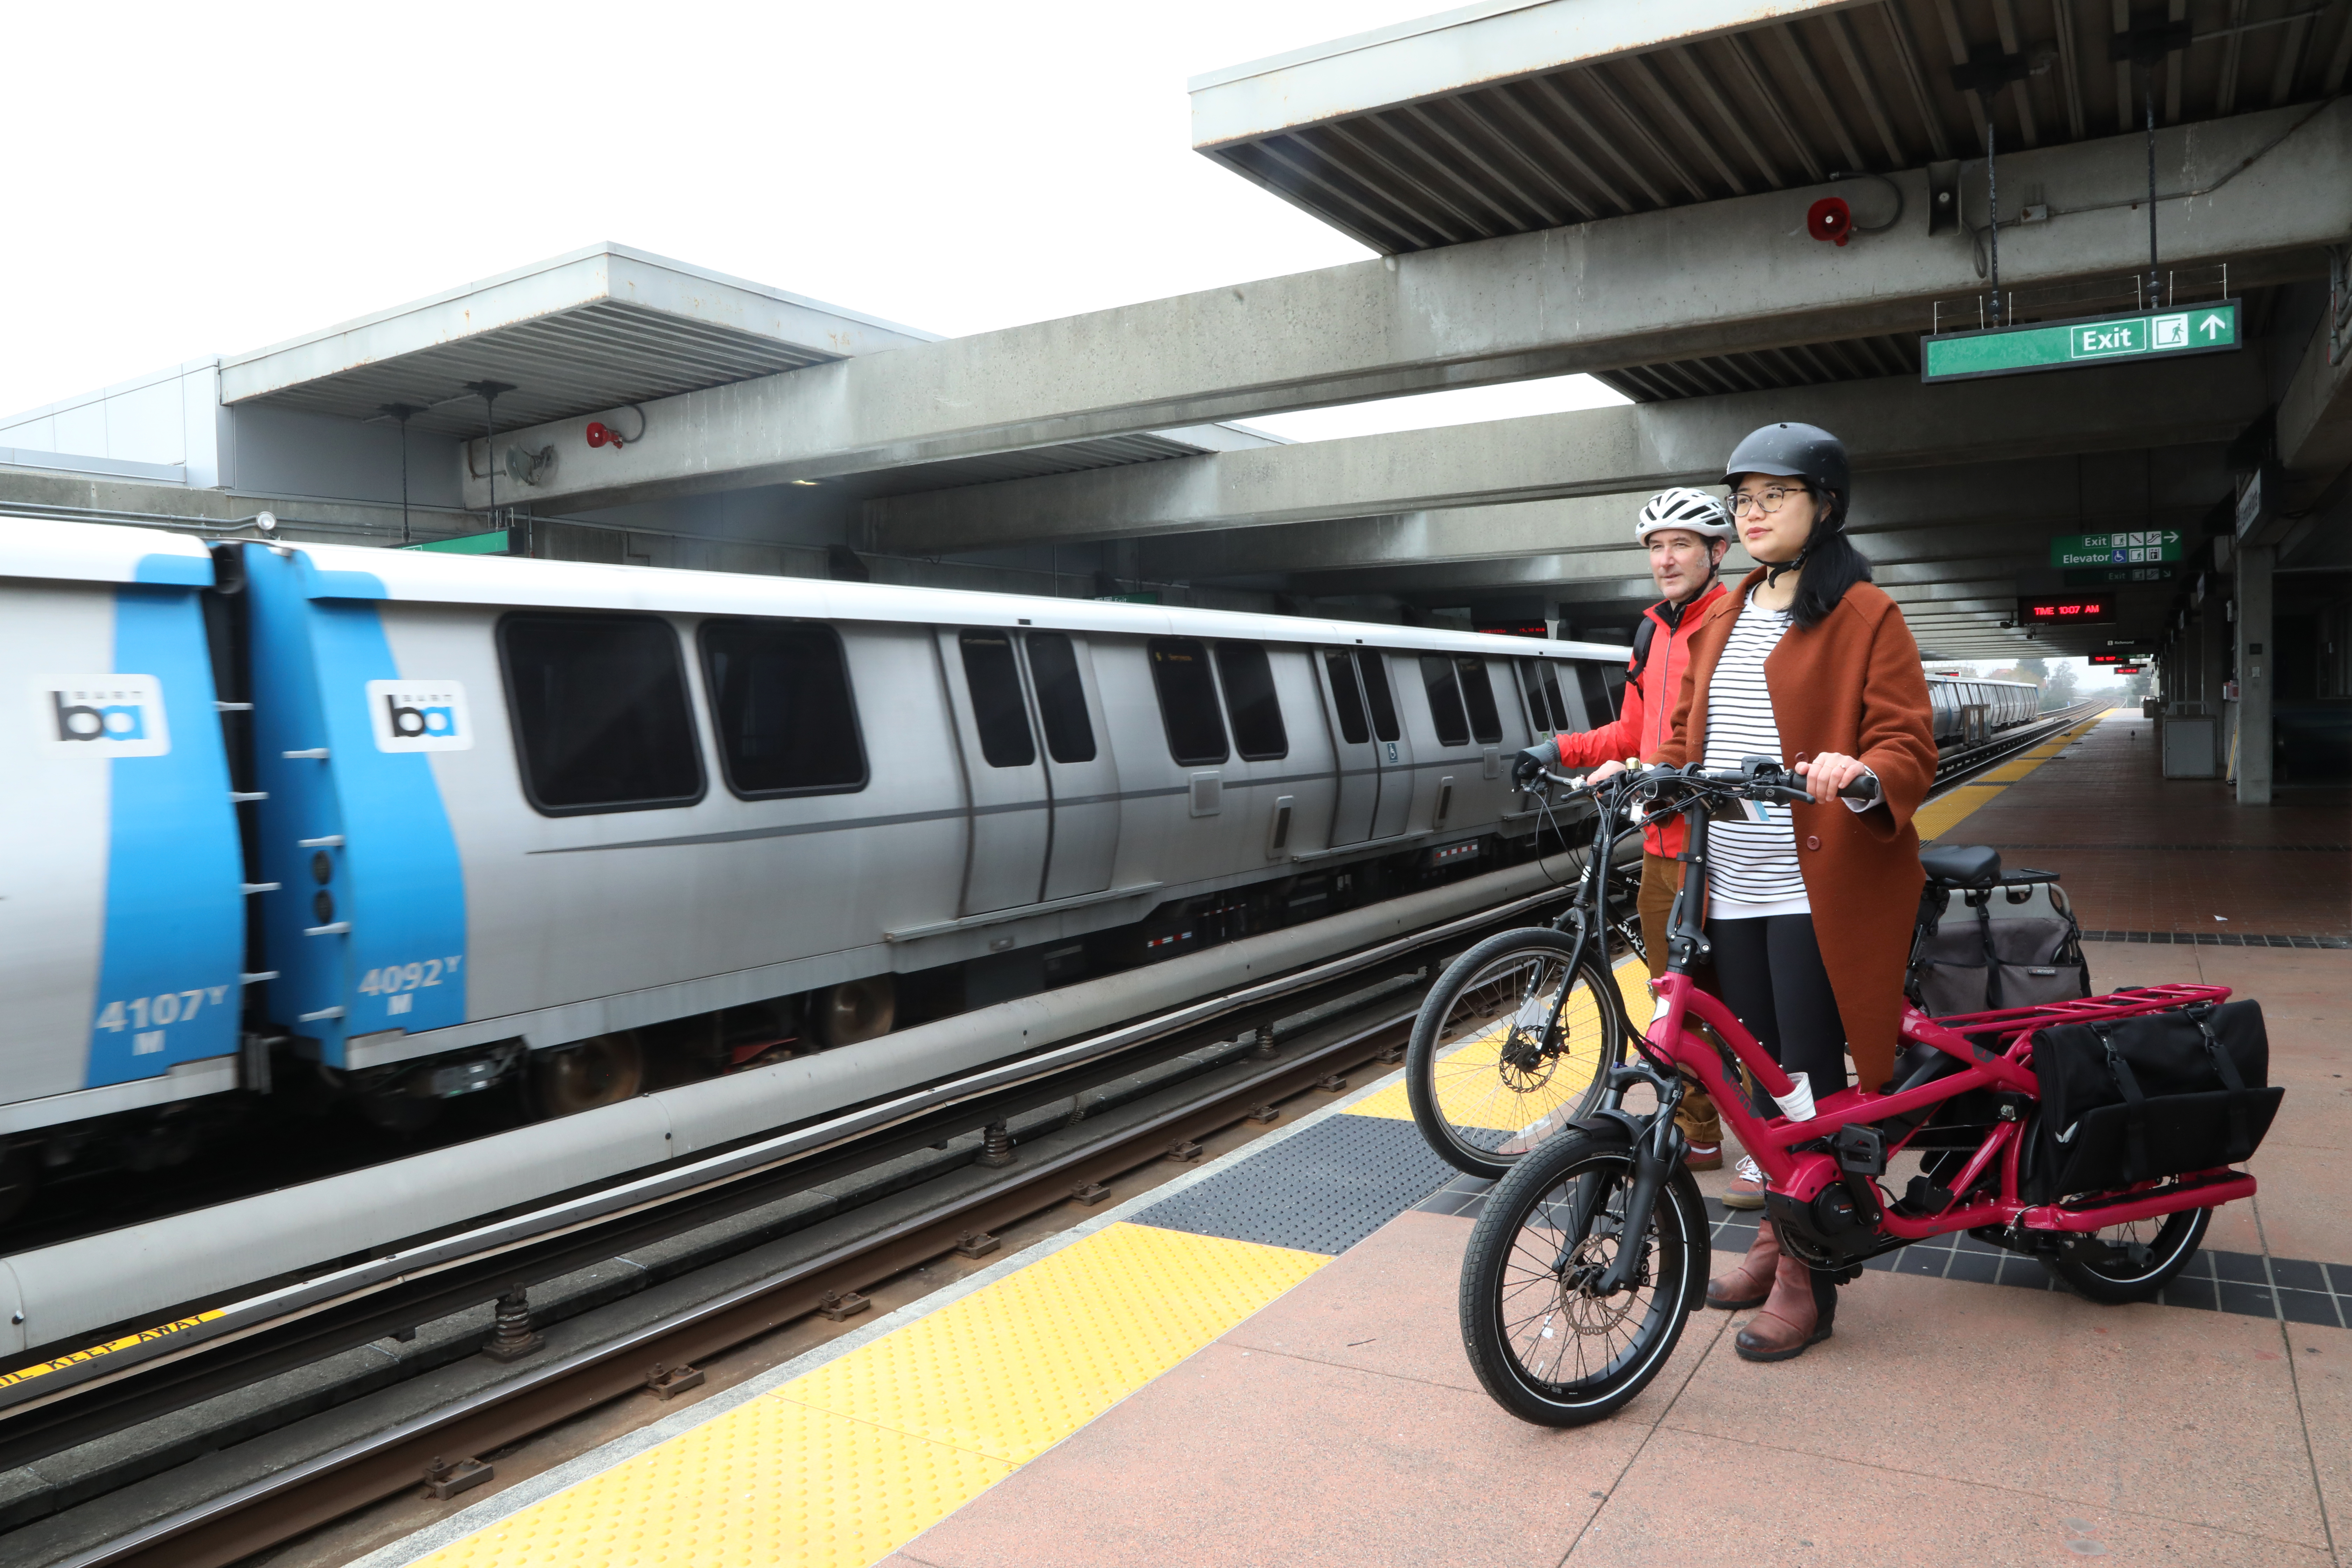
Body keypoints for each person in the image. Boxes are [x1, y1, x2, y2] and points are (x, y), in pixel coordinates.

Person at [1650, 422, 1937, 1363]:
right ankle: (1776, 1238)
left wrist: (1860, 770)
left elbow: (1909, 745)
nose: (1755, 511)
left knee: (1808, 1082)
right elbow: (1688, 729)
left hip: (1815, 893)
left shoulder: (1863, 614)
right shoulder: (1730, 609)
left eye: (1777, 494)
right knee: (1755, 1081)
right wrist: (1640, 774)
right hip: (1729, 884)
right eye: (1745, 497)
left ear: (1826, 505)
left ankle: (1808, 1279)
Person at [1517, 488, 1735, 1170]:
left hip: (1727, 842)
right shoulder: (1652, 631)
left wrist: (1669, 769)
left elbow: (1739, 730)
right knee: (1674, 994)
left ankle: (1770, 1145)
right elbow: (1635, 732)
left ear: (1717, 552)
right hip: (1666, 844)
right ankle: (1701, 1132)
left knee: (1745, 1001)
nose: (1665, 558)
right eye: (1655, 546)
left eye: (1681, 544)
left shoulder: (1737, 620)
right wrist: (1562, 749)